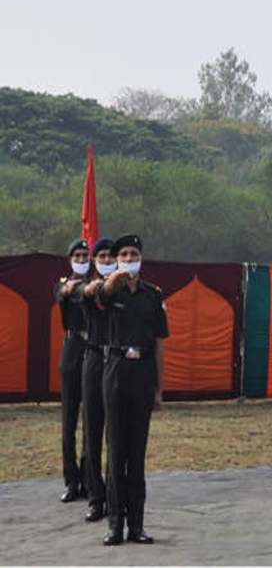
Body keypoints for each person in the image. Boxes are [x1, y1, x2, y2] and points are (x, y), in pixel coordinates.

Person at [99, 233, 168, 545]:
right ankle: (115, 525)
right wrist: (115, 275)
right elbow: (98, 295)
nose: (129, 258)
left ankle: (136, 525)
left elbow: (158, 346)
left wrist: (158, 390)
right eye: (123, 254)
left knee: (136, 455)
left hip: (142, 373)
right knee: (115, 453)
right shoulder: (109, 291)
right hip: (115, 370)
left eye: (133, 254)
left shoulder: (152, 295)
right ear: (116, 259)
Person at [80, 237, 115, 523]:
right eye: (101, 256)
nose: (106, 260)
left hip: (116, 361)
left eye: (110, 256)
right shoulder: (87, 286)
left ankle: (116, 498)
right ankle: (95, 498)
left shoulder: (125, 290)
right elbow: (90, 291)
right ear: (94, 261)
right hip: (93, 359)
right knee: (92, 433)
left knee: (115, 436)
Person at [54, 238, 91, 504]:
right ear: (69, 260)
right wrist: (70, 287)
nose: (80, 259)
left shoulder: (97, 284)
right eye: (76, 256)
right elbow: (63, 294)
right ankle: (71, 480)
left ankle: (89, 479)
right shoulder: (62, 283)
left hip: (93, 350)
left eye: (84, 255)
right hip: (72, 348)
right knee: (69, 422)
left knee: (91, 421)